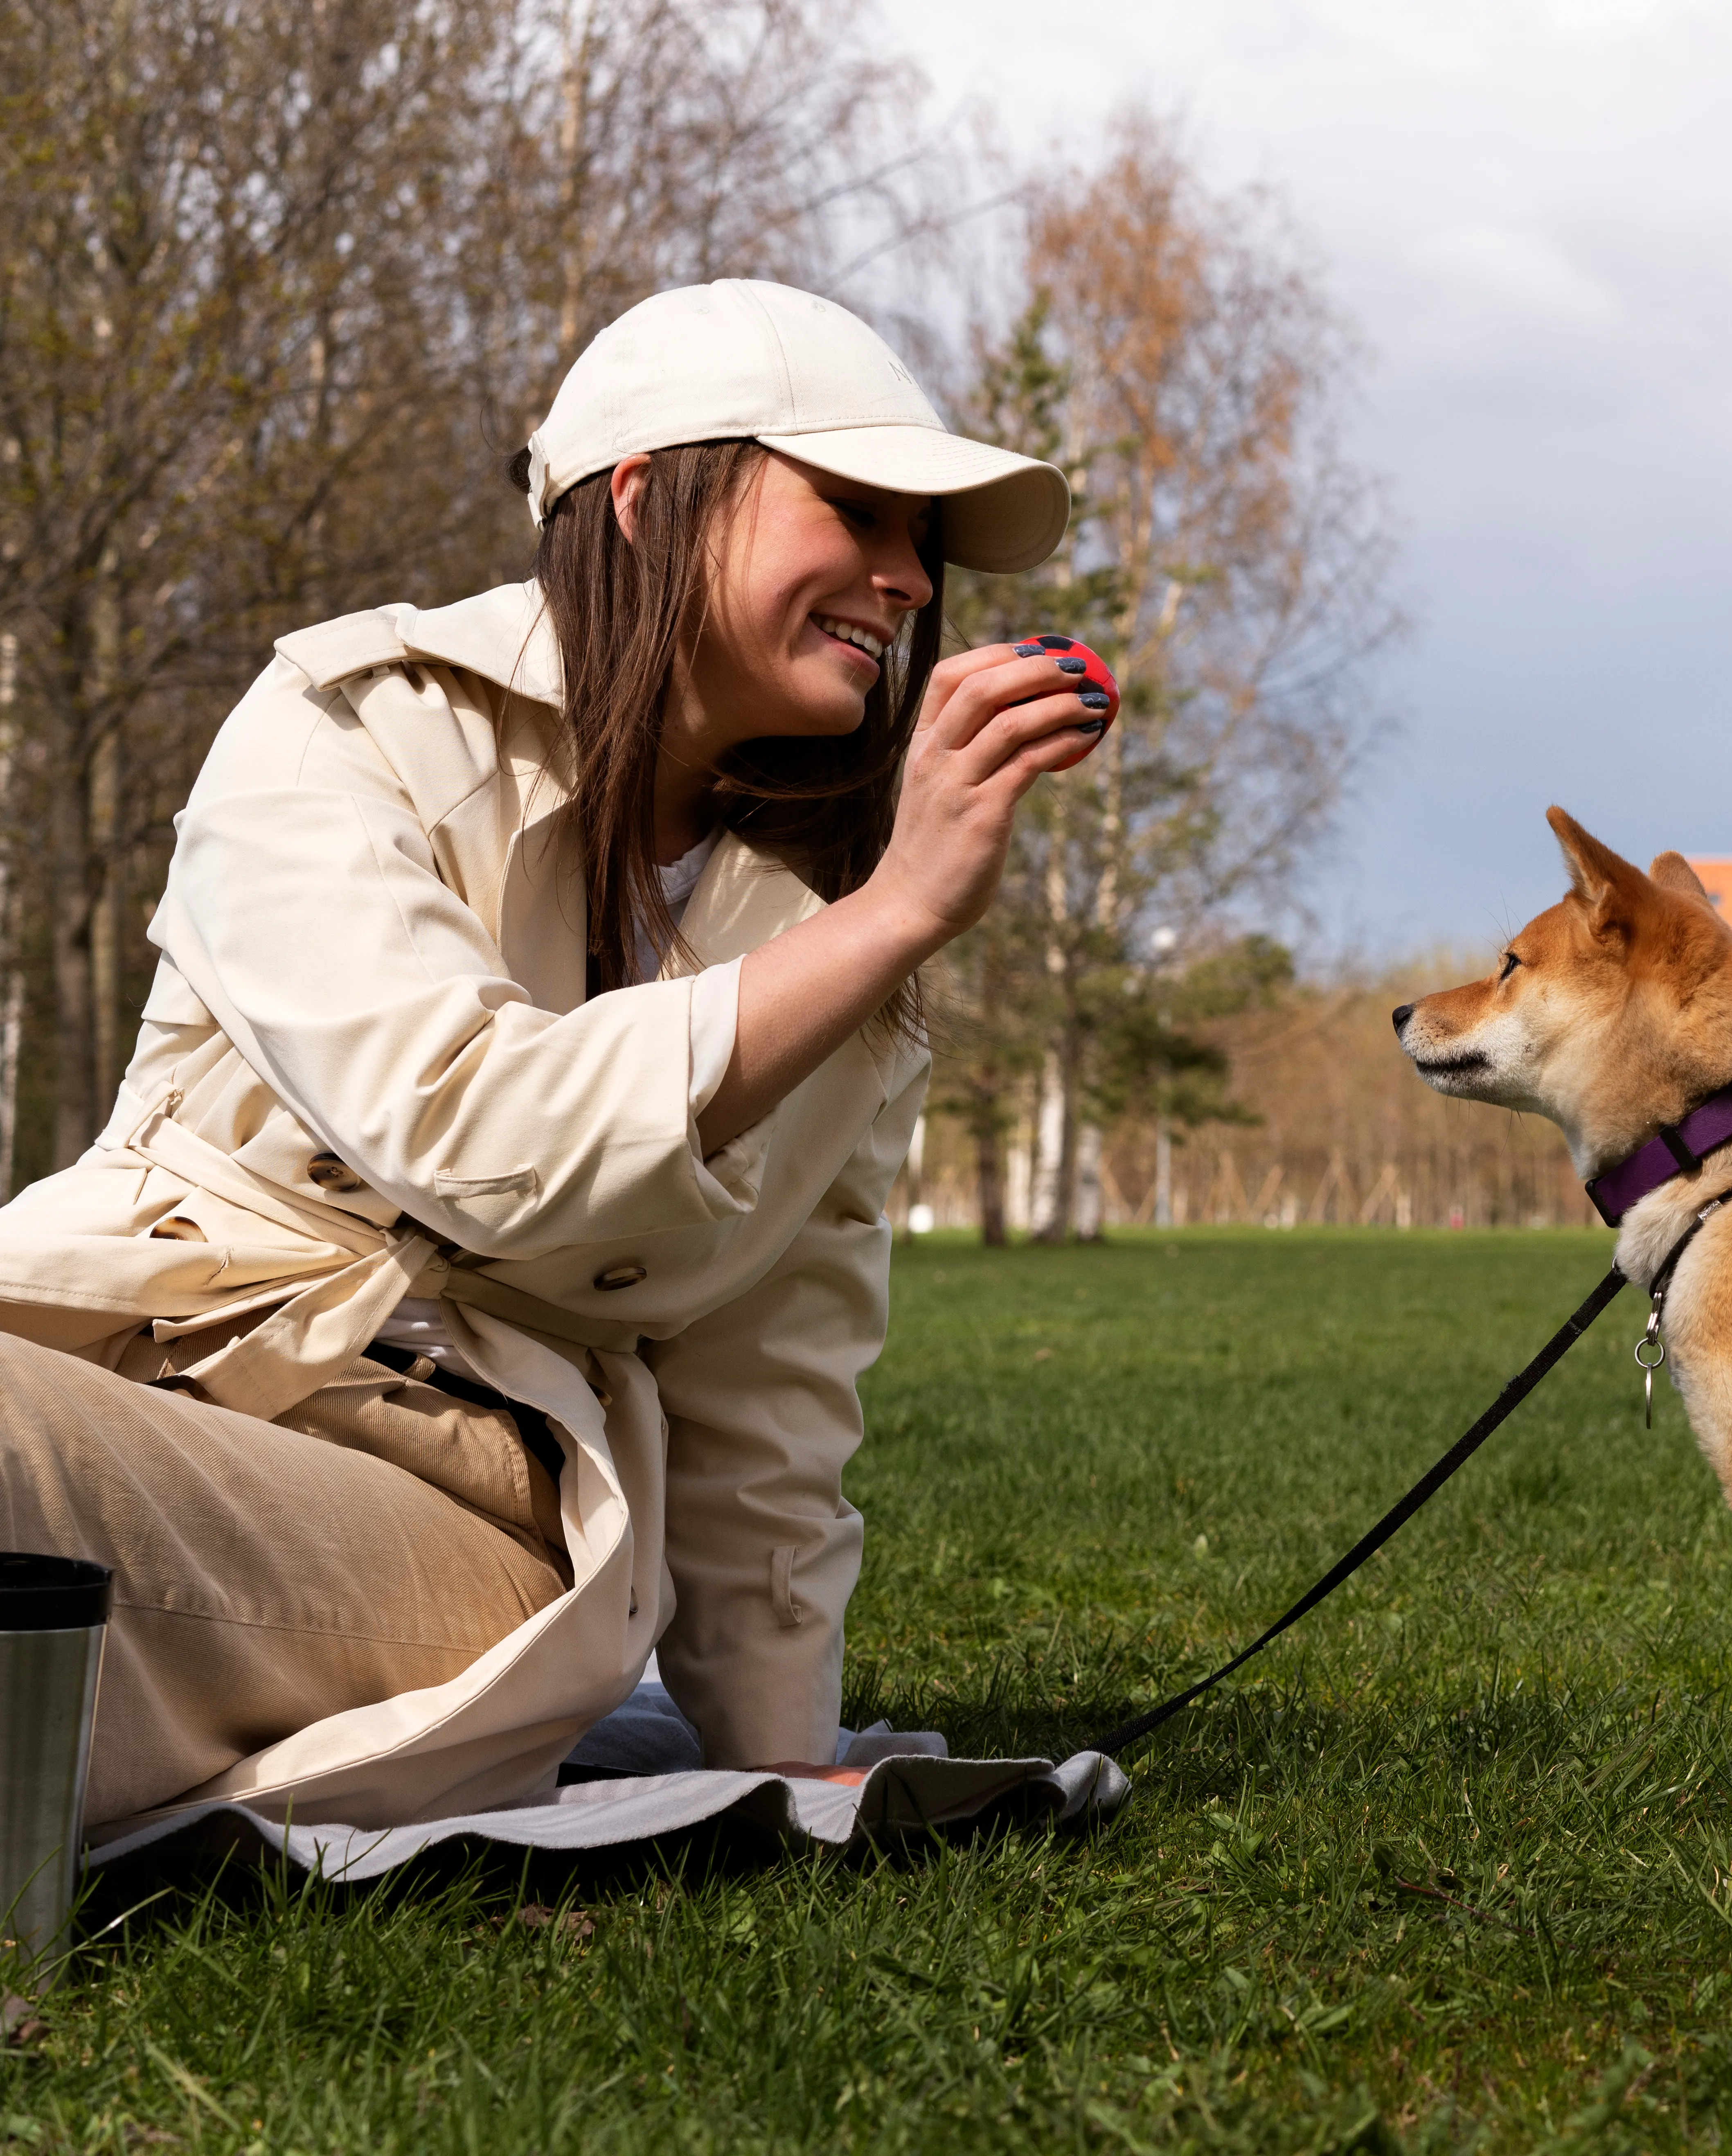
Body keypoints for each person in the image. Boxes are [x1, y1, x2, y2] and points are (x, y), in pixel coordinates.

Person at [0, 281, 1108, 1834]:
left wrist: (782, 1752)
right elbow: (467, 1115)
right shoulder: (347, 727)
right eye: (858, 509)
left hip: (458, 1494)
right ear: (648, 503)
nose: (911, 579)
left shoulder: (845, 937)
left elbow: (770, 1388)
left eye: (925, 542)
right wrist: (889, 916)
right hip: (111, 1366)